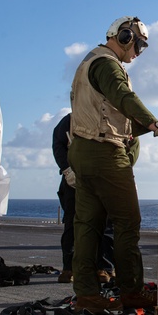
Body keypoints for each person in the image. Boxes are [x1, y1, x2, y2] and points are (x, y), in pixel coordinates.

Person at [69, 16, 158, 313]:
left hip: (82, 150)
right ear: (125, 36)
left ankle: (87, 295)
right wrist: (154, 123)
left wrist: (143, 127)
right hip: (105, 153)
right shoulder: (107, 64)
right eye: (138, 46)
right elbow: (123, 96)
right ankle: (132, 291)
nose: (137, 54)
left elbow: (111, 114)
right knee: (128, 222)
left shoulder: (88, 63)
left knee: (87, 226)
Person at [52, 112, 115, 285]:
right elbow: (58, 144)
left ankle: (105, 267)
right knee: (72, 224)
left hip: (104, 176)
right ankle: (69, 268)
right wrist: (67, 170)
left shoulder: (112, 117)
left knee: (107, 225)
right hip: (74, 179)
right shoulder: (70, 120)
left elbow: (129, 144)